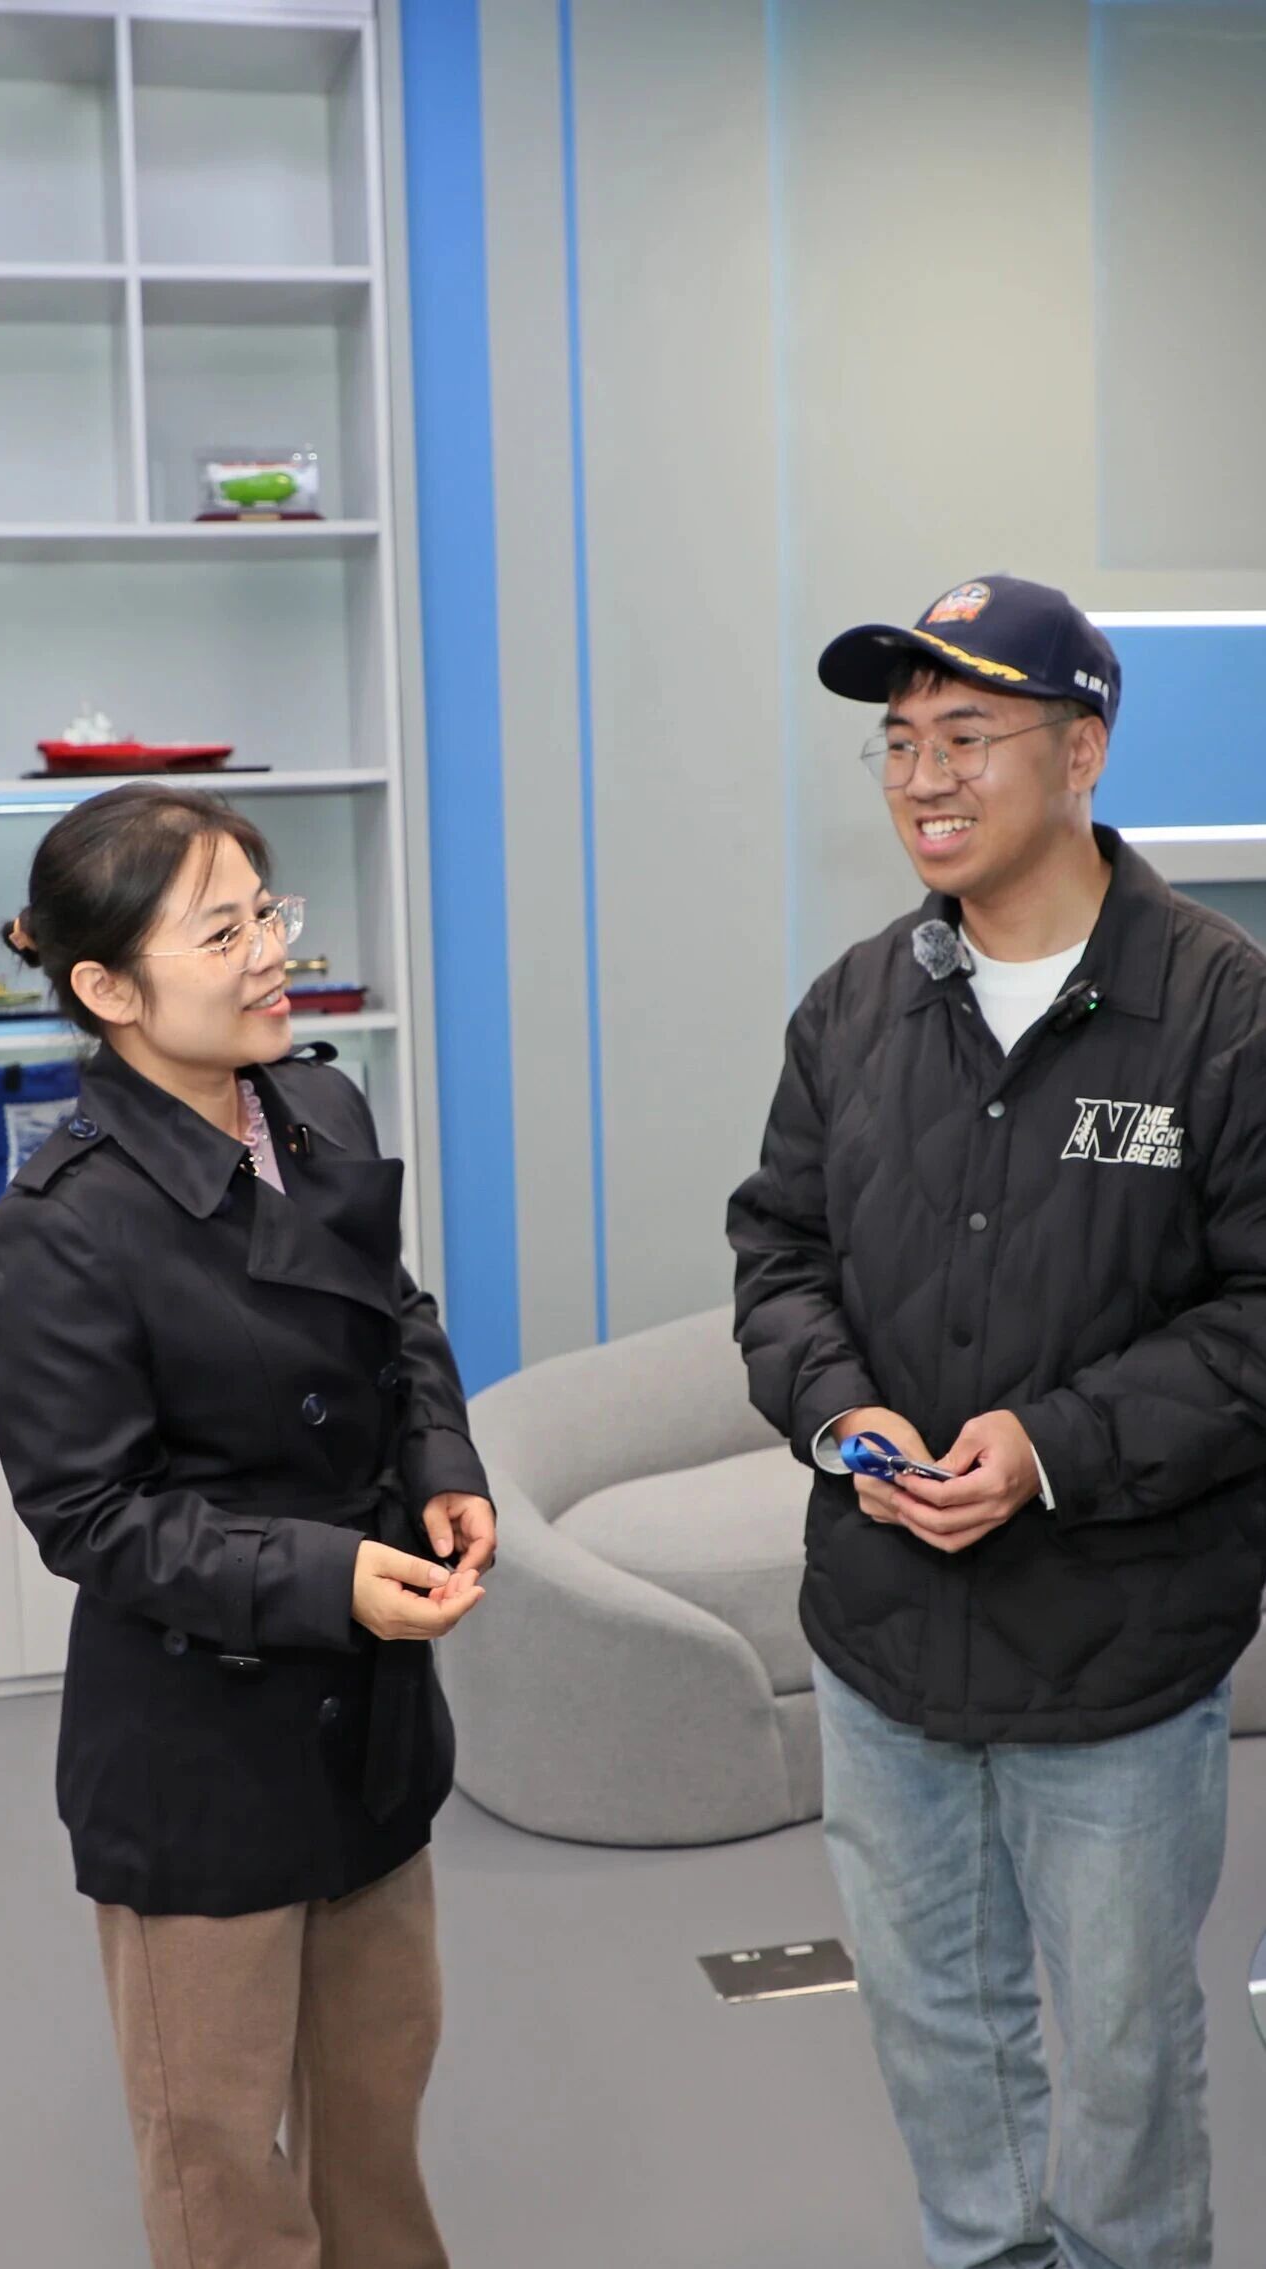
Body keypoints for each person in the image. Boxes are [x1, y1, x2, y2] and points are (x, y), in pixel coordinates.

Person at [727, 575, 1266, 2269]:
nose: (922, 777)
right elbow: (778, 1255)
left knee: (1121, 2062)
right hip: (885, 1640)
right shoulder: (853, 1007)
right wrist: (841, 1417)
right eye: (898, 743)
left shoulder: (1224, 1011)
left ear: (1083, 750)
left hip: (1116, 1655)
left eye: (966, 734)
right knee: (938, 2036)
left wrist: (1050, 1446)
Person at [0, 784, 495, 2269]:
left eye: (267, 912)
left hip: (367, 1720)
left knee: (376, 2126)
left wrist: (441, 1451)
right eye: (223, 932)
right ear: (107, 990)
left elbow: (395, 1312)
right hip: (197, 1757)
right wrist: (336, 1576)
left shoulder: (320, 1105)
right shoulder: (61, 1225)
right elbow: (94, 1517)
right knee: (224, 2180)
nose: (273, 950)